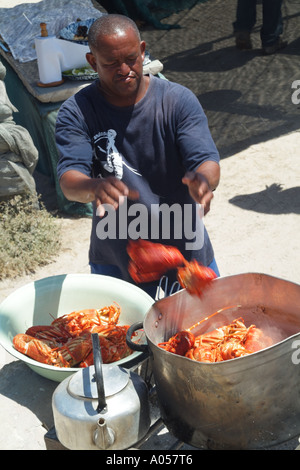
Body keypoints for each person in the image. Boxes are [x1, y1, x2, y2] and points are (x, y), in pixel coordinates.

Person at [56, 14, 220, 298]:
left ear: (143, 50)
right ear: (93, 62)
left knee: (212, 333)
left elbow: (207, 161)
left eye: (131, 58)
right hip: (118, 257)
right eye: (110, 63)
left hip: (187, 254)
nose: (124, 69)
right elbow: (69, 180)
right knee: (124, 339)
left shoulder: (177, 101)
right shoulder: (77, 111)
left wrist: (204, 181)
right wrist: (93, 186)